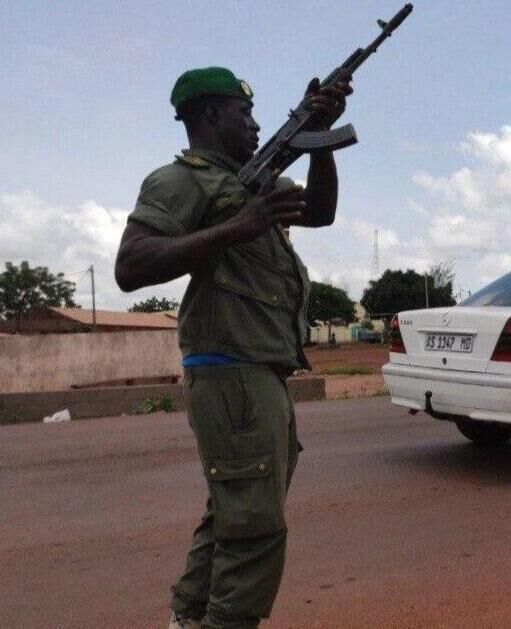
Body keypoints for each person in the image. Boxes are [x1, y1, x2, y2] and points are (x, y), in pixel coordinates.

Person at [114, 66, 352, 629]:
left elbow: (318, 212)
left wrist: (320, 139)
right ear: (211, 116)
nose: (255, 123)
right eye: (243, 113)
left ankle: (189, 618)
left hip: (256, 374)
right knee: (255, 529)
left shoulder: (252, 180)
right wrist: (236, 228)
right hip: (232, 372)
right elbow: (130, 266)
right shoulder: (182, 181)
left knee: (234, 514)